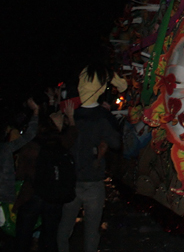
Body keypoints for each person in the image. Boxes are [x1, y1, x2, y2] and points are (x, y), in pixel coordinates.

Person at [57, 63, 122, 252]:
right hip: (93, 181)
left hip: (72, 180)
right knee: (92, 230)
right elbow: (116, 143)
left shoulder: (71, 116)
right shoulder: (102, 117)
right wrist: (109, 117)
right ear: (101, 88)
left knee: (65, 227)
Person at [15, 101, 76, 252]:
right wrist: (71, 117)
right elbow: (73, 135)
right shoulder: (61, 143)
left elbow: (20, 173)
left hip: (32, 194)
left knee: (23, 236)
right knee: (50, 236)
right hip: (53, 195)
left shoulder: (32, 145)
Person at [0, 99, 39, 207]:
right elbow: (29, 136)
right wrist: (36, 112)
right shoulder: (5, 149)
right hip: (4, 198)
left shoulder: (5, 148)